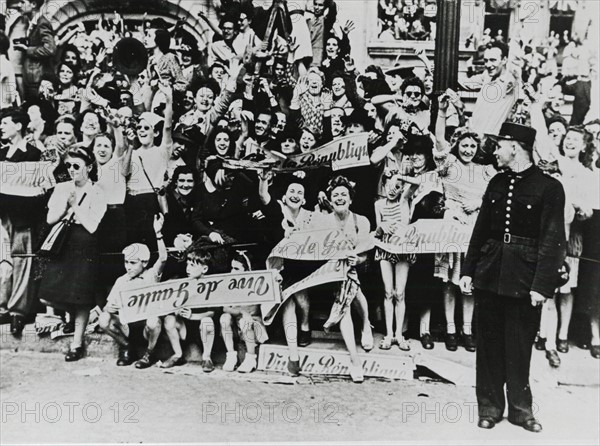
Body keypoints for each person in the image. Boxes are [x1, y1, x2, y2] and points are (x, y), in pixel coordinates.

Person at [460, 122, 566, 433]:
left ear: (515, 147)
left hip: (525, 275)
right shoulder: (495, 182)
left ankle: (521, 411)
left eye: (499, 145)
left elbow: (553, 240)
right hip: (490, 271)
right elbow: (481, 230)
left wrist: (541, 286)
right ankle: (490, 408)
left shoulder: (549, 187)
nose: (494, 150)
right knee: (490, 343)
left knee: (519, 346)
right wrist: (468, 270)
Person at [39, 147, 107, 361]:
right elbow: (51, 219)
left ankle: (76, 343)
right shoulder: (61, 187)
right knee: (48, 294)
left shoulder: (97, 192)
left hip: (85, 244)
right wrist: (64, 206)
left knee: (82, 298)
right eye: (68, 166)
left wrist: (75, 205)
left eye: (76, 166)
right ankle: (71, 317)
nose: (71, 170)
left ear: (88, 167)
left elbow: (92, 226)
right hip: (63, 243)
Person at [98, 224, 167, 367]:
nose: (128, 266)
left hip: (145, 328)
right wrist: (110, 308)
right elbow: (107, 308)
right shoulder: (121, 280)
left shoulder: (151, 275)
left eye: (133, 263)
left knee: (154, 321)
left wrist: (158, 234)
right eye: (126, 262)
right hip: (127, 327)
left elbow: (163, 258)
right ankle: (126, 347)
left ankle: (149, 353)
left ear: (145, 262)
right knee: (103, 318)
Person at [0, 109, 42, 336]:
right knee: (3, 262)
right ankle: (2, 306)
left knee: (22, 263)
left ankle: (18, 311)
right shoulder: (0, 153)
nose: (1, 127)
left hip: (25, 218)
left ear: (18, 126)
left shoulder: (35, 154)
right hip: (2, 218)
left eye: (5, 123)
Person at [374, 169, 412, 351]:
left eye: (397, 187)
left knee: (400, 293)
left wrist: (400, 177)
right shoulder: (379, 204)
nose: (392, 189)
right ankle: (389, 334)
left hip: (403, 249)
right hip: (385, 248)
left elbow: (418, 183)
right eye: (389, 185)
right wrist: (382, 226)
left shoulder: (405, 201)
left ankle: (399, 334)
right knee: (388, 292)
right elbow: (377, 232)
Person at [169, 248, 218, 373]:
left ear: (204, 269)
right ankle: (177, 355)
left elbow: (211, 313)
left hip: (203, 330)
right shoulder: (182, 282)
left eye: (192, 265)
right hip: (185, 327)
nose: (188, 269)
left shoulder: (211, 286)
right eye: (187, 265)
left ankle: (206, 358)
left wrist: (192, 316)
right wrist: (176, 310)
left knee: (207, 321)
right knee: (169, 320)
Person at [220, 251, 269, 373]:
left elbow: (253, 310)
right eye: (231, 268)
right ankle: (231, 356)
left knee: (245, 321)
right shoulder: (230, 286)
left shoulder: (256, 285)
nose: (232, 272)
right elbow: (225, 308)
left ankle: (251, 358)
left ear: (247, 270)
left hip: (254, 328)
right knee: (224, 318)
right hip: (236, 328)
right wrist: (241, 311)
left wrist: (238, 311)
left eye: (236, 269)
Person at [12, 0, 56, 101]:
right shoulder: (34, 23)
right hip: (33, 78)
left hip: (37, 79)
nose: (19, 5)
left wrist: (27, 49)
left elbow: (50, 49)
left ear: (33, 4)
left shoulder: (42, 23)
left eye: (23, 2)